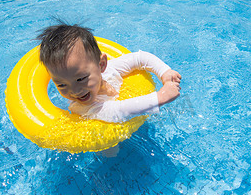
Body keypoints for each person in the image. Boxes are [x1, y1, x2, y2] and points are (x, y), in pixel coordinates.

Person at [37, 23, 181, 123]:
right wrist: (160, 97)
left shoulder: (110, 69)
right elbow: (116, 112)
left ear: (101, 65)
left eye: (81, 79)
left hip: (133, 118)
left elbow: (140, 58)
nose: (74, 91)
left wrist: (164, 72)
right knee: (111, 153)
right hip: (105, 137)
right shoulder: (82, 107)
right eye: (61, 84)